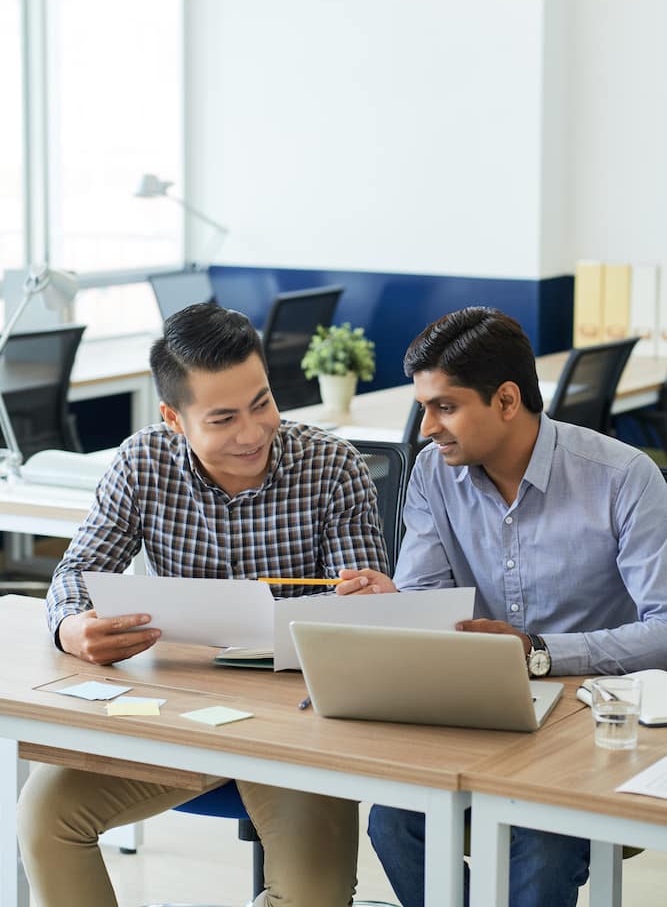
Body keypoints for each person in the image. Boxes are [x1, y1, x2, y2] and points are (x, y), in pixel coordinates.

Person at [17, 301, 390, 907]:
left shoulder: (332, 466)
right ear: (173, 417)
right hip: (177, 714)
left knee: (313, 897)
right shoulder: (142, 463)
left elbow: (364, 616)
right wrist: (69, 628)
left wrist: (368, 604)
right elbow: (77, 573)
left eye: (262, 403)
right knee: (44, 814)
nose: (252, 432)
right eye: (222, 418)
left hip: (295, 725)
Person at [336, 305, 667, 907]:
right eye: (423, 406)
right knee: (394, 821)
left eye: (446, 406)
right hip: (479, 708)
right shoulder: (434, 473)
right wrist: (394, 608)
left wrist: (538, 653)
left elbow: (665, 630)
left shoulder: (625, 479)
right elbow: (426, 604)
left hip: (594, 719)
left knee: (540, 840)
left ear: (508, 400)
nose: (428, 427)